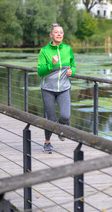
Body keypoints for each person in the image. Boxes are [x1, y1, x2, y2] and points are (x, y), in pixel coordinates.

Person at [37, 23, 75, 154]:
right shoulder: (44, 51)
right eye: (56, 32)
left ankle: (60, 128)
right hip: (48, 88)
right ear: (51, 35)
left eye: (61, 32)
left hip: (64, 87)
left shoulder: (68, 49)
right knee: (51, 119)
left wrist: (72, 72)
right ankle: (47, 142)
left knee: (65, 116)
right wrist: (51, 65)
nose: (59, 34)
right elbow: (40, 72)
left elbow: (73, 65)